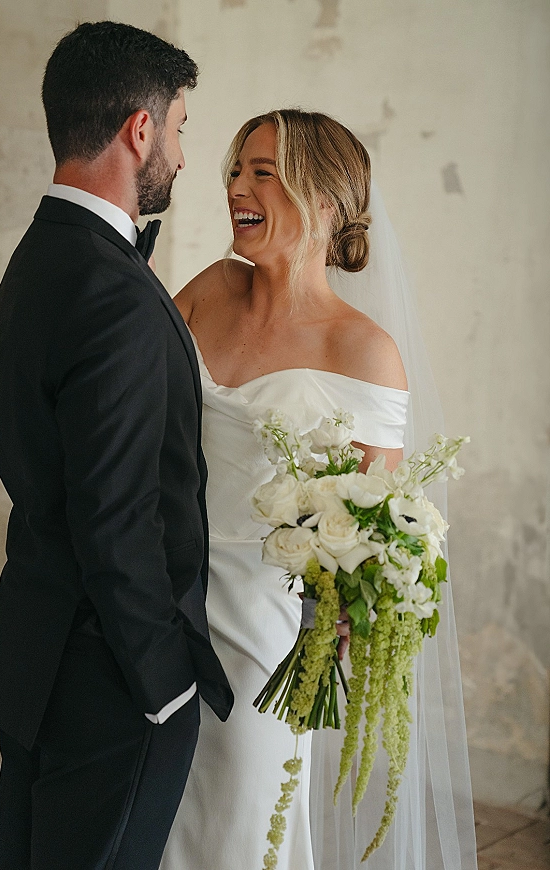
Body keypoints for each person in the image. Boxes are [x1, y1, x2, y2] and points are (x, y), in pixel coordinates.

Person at [161, 110, 477, 869]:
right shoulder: (209, 289)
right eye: (236, 170)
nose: (236, 186)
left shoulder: (363, 350)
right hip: (156, 602)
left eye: (262, 173)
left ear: (326, 203)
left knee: (236, 827)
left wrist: (338, 622)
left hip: (262, 637)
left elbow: (374, 526)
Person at [0, 21, 232, 870]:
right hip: (110, 681)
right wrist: (165, 686)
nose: (183, 158)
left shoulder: (37, 258)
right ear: (140, 128)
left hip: (36, 655)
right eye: (180, 128)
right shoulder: (112, 291)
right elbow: (116, 517)